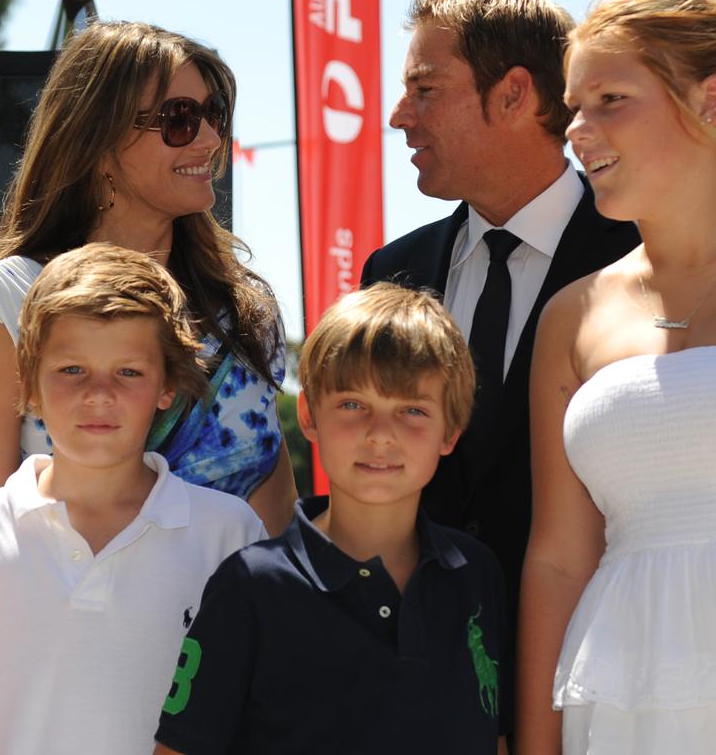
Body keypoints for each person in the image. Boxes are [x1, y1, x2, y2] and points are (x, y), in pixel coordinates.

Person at [359, 0, 640, 628]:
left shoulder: (648, 255)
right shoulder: (389, 273)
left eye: (425, 89)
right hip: (420, 672)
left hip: (606, 658)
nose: (400, 115)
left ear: (514, 94)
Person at [0, 244, 266, 755]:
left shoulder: (231, 535)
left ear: (168, 385)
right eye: (72, 370)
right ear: (30, 384)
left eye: (128, 372)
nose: (99, 394)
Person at [0, 20, 294, 533]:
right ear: (99, 140)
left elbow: (276, 530)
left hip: (235, 612)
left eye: (214, 115)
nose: (211, 138)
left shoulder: (245, 312)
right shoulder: (7, 301)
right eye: (180, 118)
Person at [154, 283, 511, 754]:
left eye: (412, 410)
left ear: (451, 430)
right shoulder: (250, 587)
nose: (381, 435)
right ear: (309, 416)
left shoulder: (477, 574)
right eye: (352, 405)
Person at [518, 0, 716, 752]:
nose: (576, 131)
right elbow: (559, 560)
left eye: (610, 100)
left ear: (708, 100)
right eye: (572, 107)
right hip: (623, 699)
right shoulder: (572, 316)